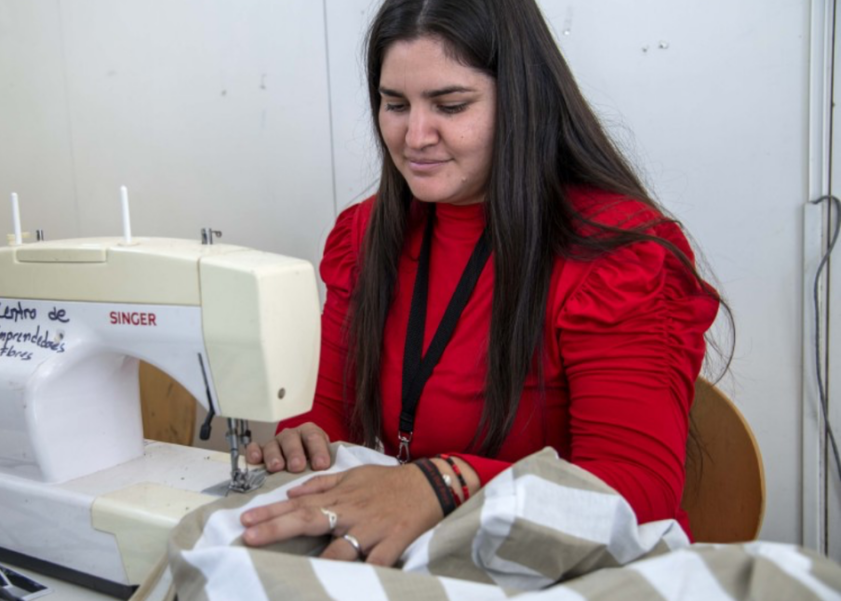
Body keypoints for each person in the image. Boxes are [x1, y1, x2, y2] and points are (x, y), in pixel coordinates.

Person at [241, 0, 722, 566]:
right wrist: (303, 440)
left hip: (567, 569)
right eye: (395, 104)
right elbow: (326, 411)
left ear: (521, 102)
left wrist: (446, 483)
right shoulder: (366, 237)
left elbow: (636, 491)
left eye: (451, 104)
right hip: (437, 559)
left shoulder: (618, 257)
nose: (415, 135)